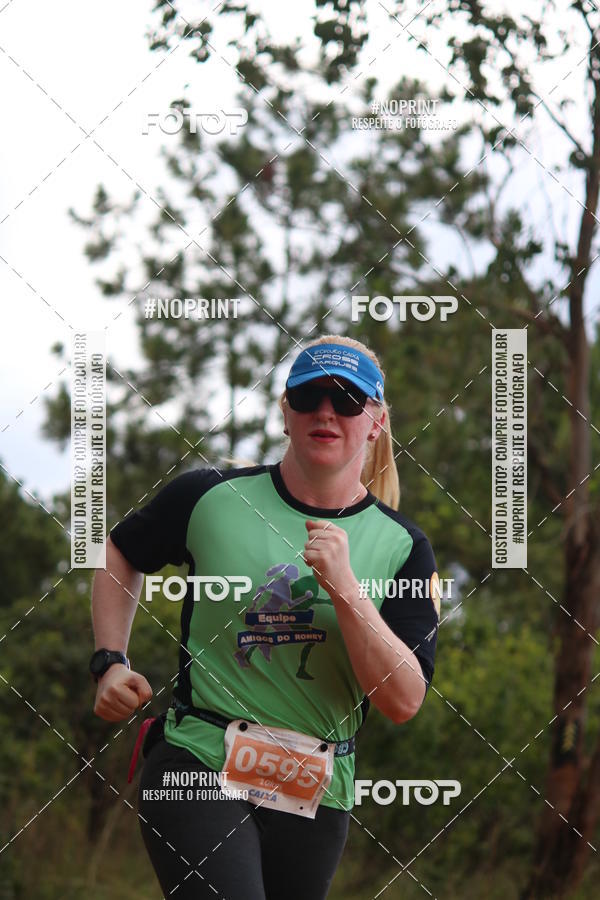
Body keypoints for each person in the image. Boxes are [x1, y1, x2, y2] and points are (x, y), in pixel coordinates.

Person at [90, 335, 440, 900]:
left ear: (375, 422)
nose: (326, 411)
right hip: (198, 761)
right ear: (284, 411)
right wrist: (110, 661)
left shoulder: (403, 548)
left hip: (317, 790)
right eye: (308, 396)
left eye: (348, 399)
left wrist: (347, 590)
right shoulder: (211, 497)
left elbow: (402, 700)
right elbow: (119, 552)